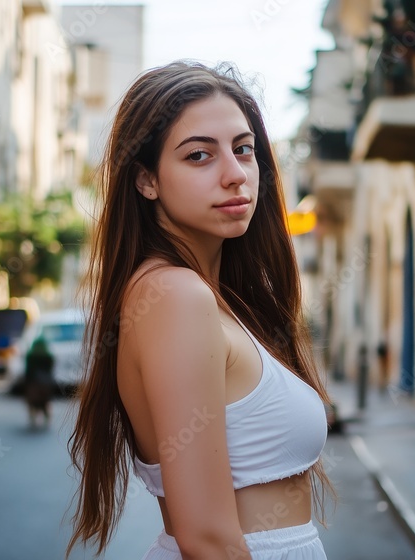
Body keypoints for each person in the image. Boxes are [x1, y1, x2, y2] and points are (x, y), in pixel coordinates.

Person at [67, 61, 335, 559]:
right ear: (147, 180)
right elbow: (206, 538)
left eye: (244, 149)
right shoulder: (176, 296)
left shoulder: (209, 298)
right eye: (199, 156)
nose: (235, 175)